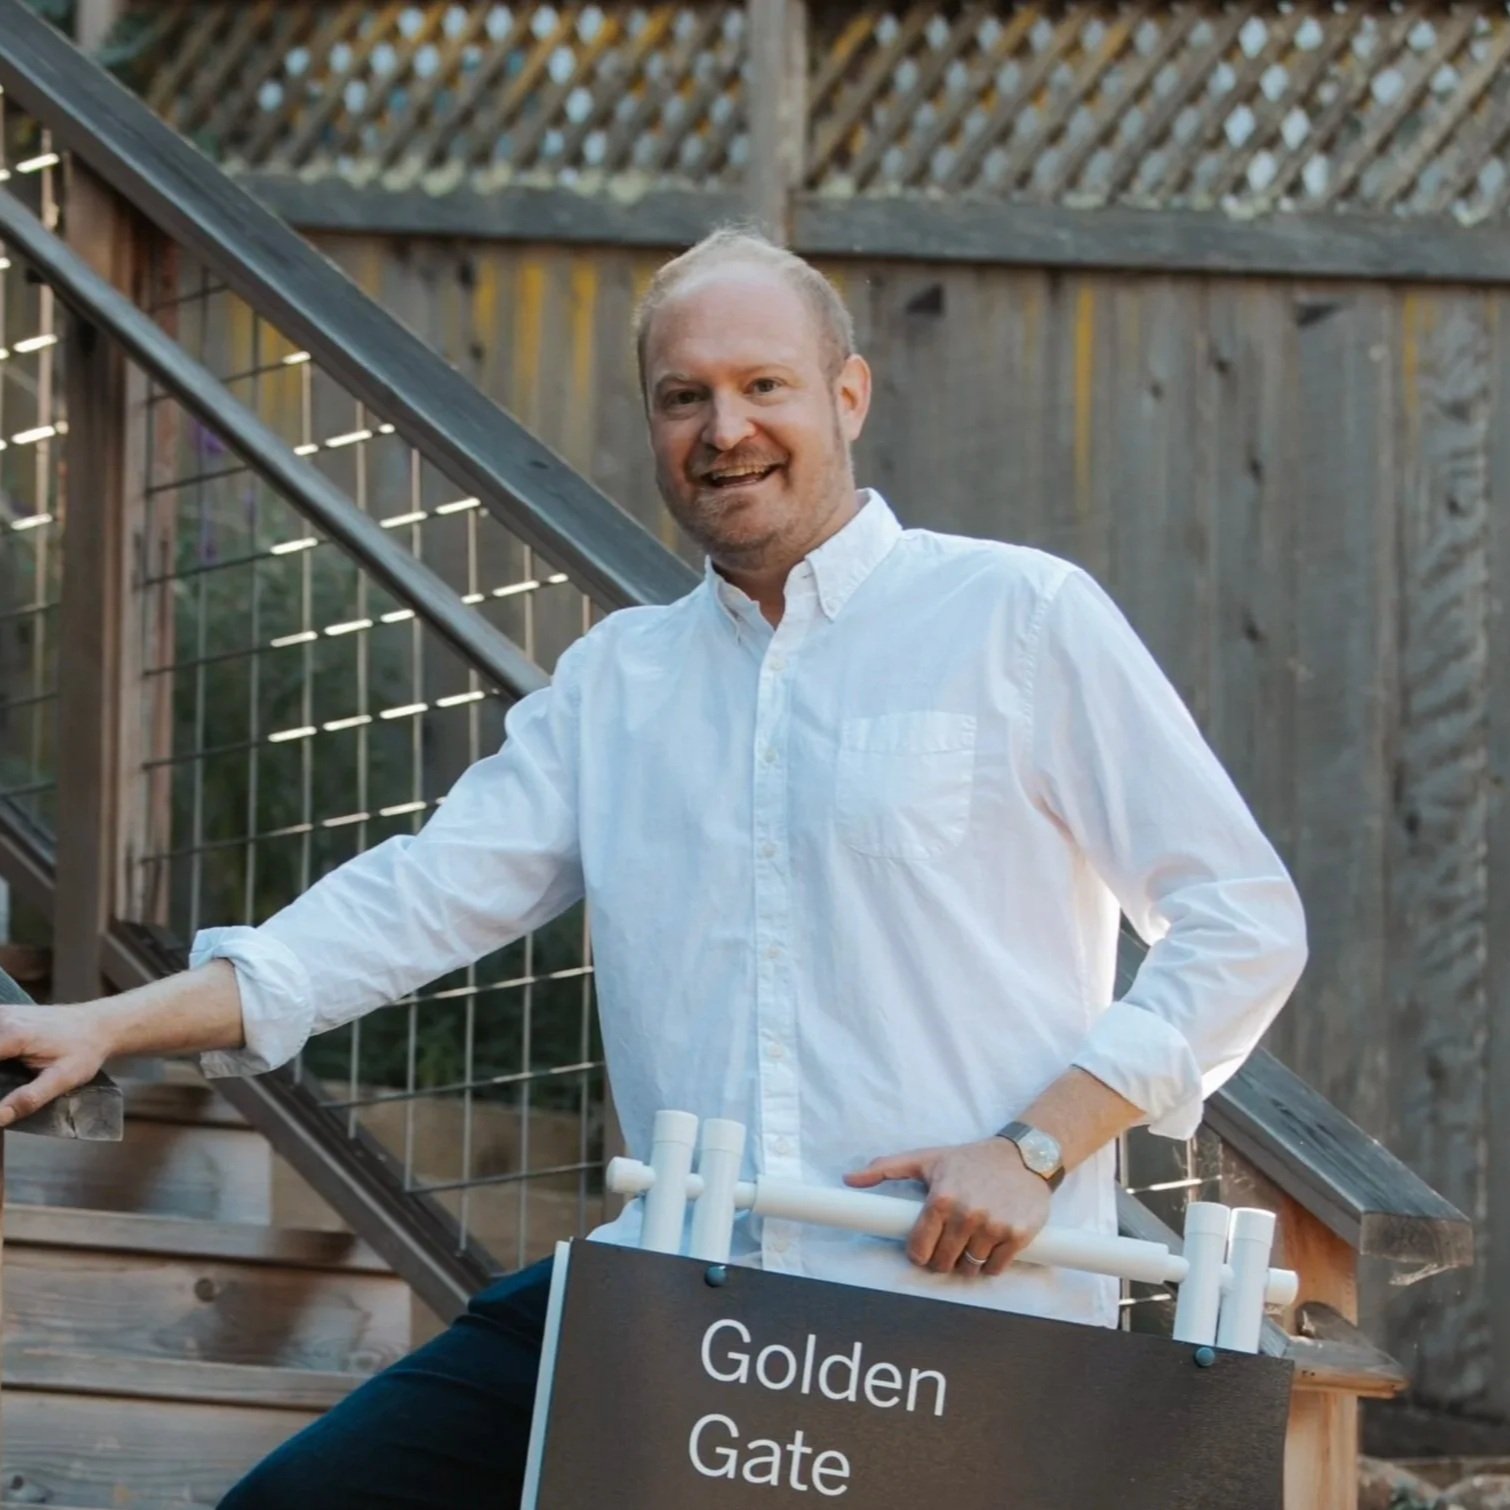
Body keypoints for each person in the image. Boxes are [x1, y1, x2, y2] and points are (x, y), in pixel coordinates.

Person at [0, 227, 1307, 1507]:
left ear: (847, 394)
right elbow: (405, 903)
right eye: (683, 397)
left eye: (761, 386)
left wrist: (1035, 1145)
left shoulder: (1019, 620)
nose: (722, 429)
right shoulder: (619, 680)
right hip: (678, 1300)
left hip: (946, 1324)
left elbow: (1241, 920)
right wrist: (108, 1022)